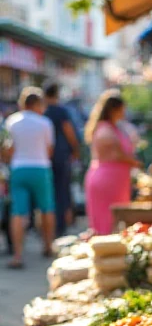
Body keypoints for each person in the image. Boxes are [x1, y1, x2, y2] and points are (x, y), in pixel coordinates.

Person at [5, 87, 55, 268]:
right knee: (46, 208)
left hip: (19, 169)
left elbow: (8, 149)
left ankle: (18, 255)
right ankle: (48, 246)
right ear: (36, 104)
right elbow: (49, 150)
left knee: (18, 212)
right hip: (41, 168)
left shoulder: (12, 121)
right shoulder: (44, 123)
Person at [84, 90, 141, 235]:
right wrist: (135, 163)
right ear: (114, 109)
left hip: (115, 181)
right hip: (107, 181)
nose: (124, 112)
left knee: (115, 222)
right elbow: (117, 154)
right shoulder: (106, 130)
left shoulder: (112, 127)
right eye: (122, 109)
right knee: (107, 223)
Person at [44, 81, 80, 237]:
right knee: (62, 190)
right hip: (61, 156)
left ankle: (49, 227)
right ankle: (60, 225)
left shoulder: (43, 112)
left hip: (46, 157)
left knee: (50, 192)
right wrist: (76, 150)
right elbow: (69, 132)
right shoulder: (62, 111)